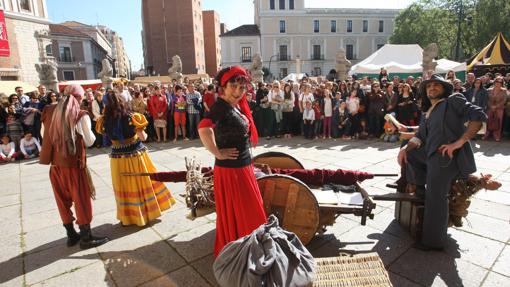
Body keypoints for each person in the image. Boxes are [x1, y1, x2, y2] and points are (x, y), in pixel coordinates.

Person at [397, 74, 486, 251]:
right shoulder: (427, 112)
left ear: (444, 88)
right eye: (429, 86)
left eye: (437, 85)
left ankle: (433, 242)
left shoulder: (454, 100)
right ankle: (420, 187)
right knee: (411, 154)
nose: (432, 88)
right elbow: (420, 137)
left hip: (445, 158)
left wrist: (458, 143)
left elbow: (478, 116)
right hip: (429, 155)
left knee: (436, 198)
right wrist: (404, 150)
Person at [198, 66, 266, 257]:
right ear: (224, 87)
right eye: (233, 86)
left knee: (246, 210)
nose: (238, 91)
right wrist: (217, 153)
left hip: (242, 168)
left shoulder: (234, 105)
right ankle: (241, 249)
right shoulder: (220, 106)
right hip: (231, 171)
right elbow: (203, 128)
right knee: (244, 211)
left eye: (241, 87)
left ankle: (248, 245)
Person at [39, 84, 109, 249]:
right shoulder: (80, 114)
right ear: (79, 97)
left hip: (55, 166)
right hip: (73, 165)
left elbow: (43, 135)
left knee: (62, 201)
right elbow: (89, 141)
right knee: (81, 200)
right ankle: (86, 238)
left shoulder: (48, 110)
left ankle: (71, 235)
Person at [98, 92, 176, 226]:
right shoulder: (131, 117)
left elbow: (107, 135)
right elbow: (143, 137)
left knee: (124, 187)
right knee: (142, 183)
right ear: (120, 100)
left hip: (117, 159)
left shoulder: (103, 120)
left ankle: (128, 217)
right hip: (135, 156)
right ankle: (146, 213)